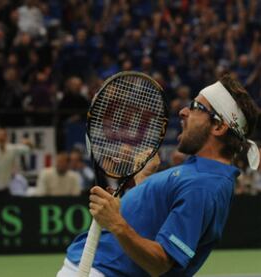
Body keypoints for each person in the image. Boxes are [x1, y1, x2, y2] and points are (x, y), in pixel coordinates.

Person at [57, 74, 260, 276]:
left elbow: (161, 263)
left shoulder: (203, 185)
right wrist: (143, 180)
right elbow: (152, 223)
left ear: (218, 126)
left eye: (196, 107)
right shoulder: (198, 173)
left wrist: (116, 223)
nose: (182, 111)